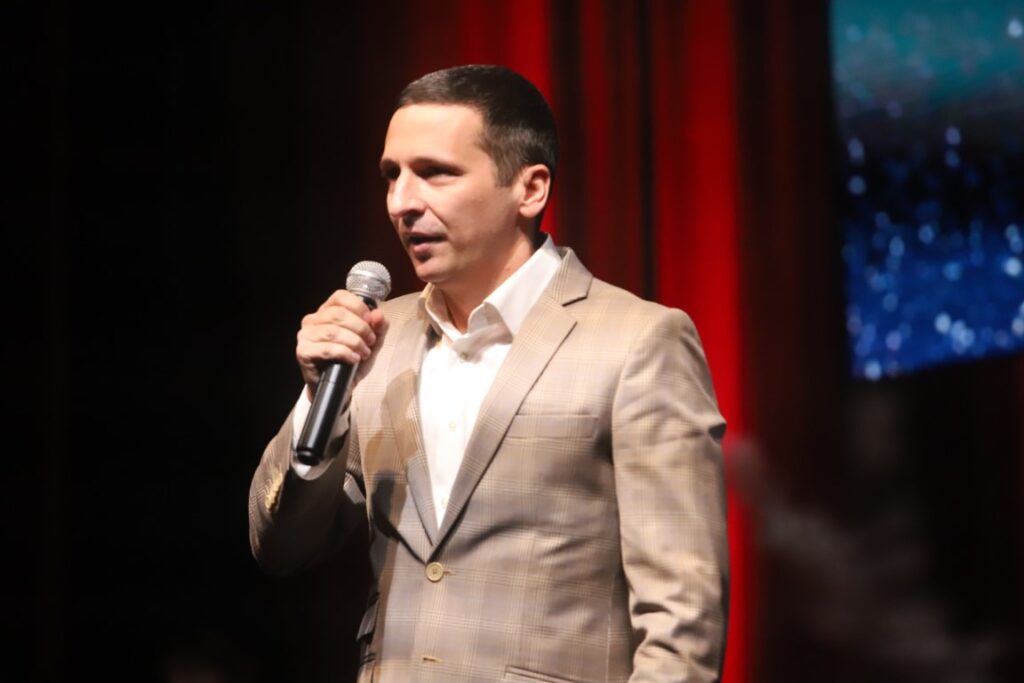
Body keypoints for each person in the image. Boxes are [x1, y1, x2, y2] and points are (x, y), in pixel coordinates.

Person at [249, 64, 728, 683]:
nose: (402, 202)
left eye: (435, 173)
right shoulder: (375, 339)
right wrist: (320, 397)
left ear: (530, 189)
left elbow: (682, 621)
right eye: (392, 175)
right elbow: (280, 547)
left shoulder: (637, 341)